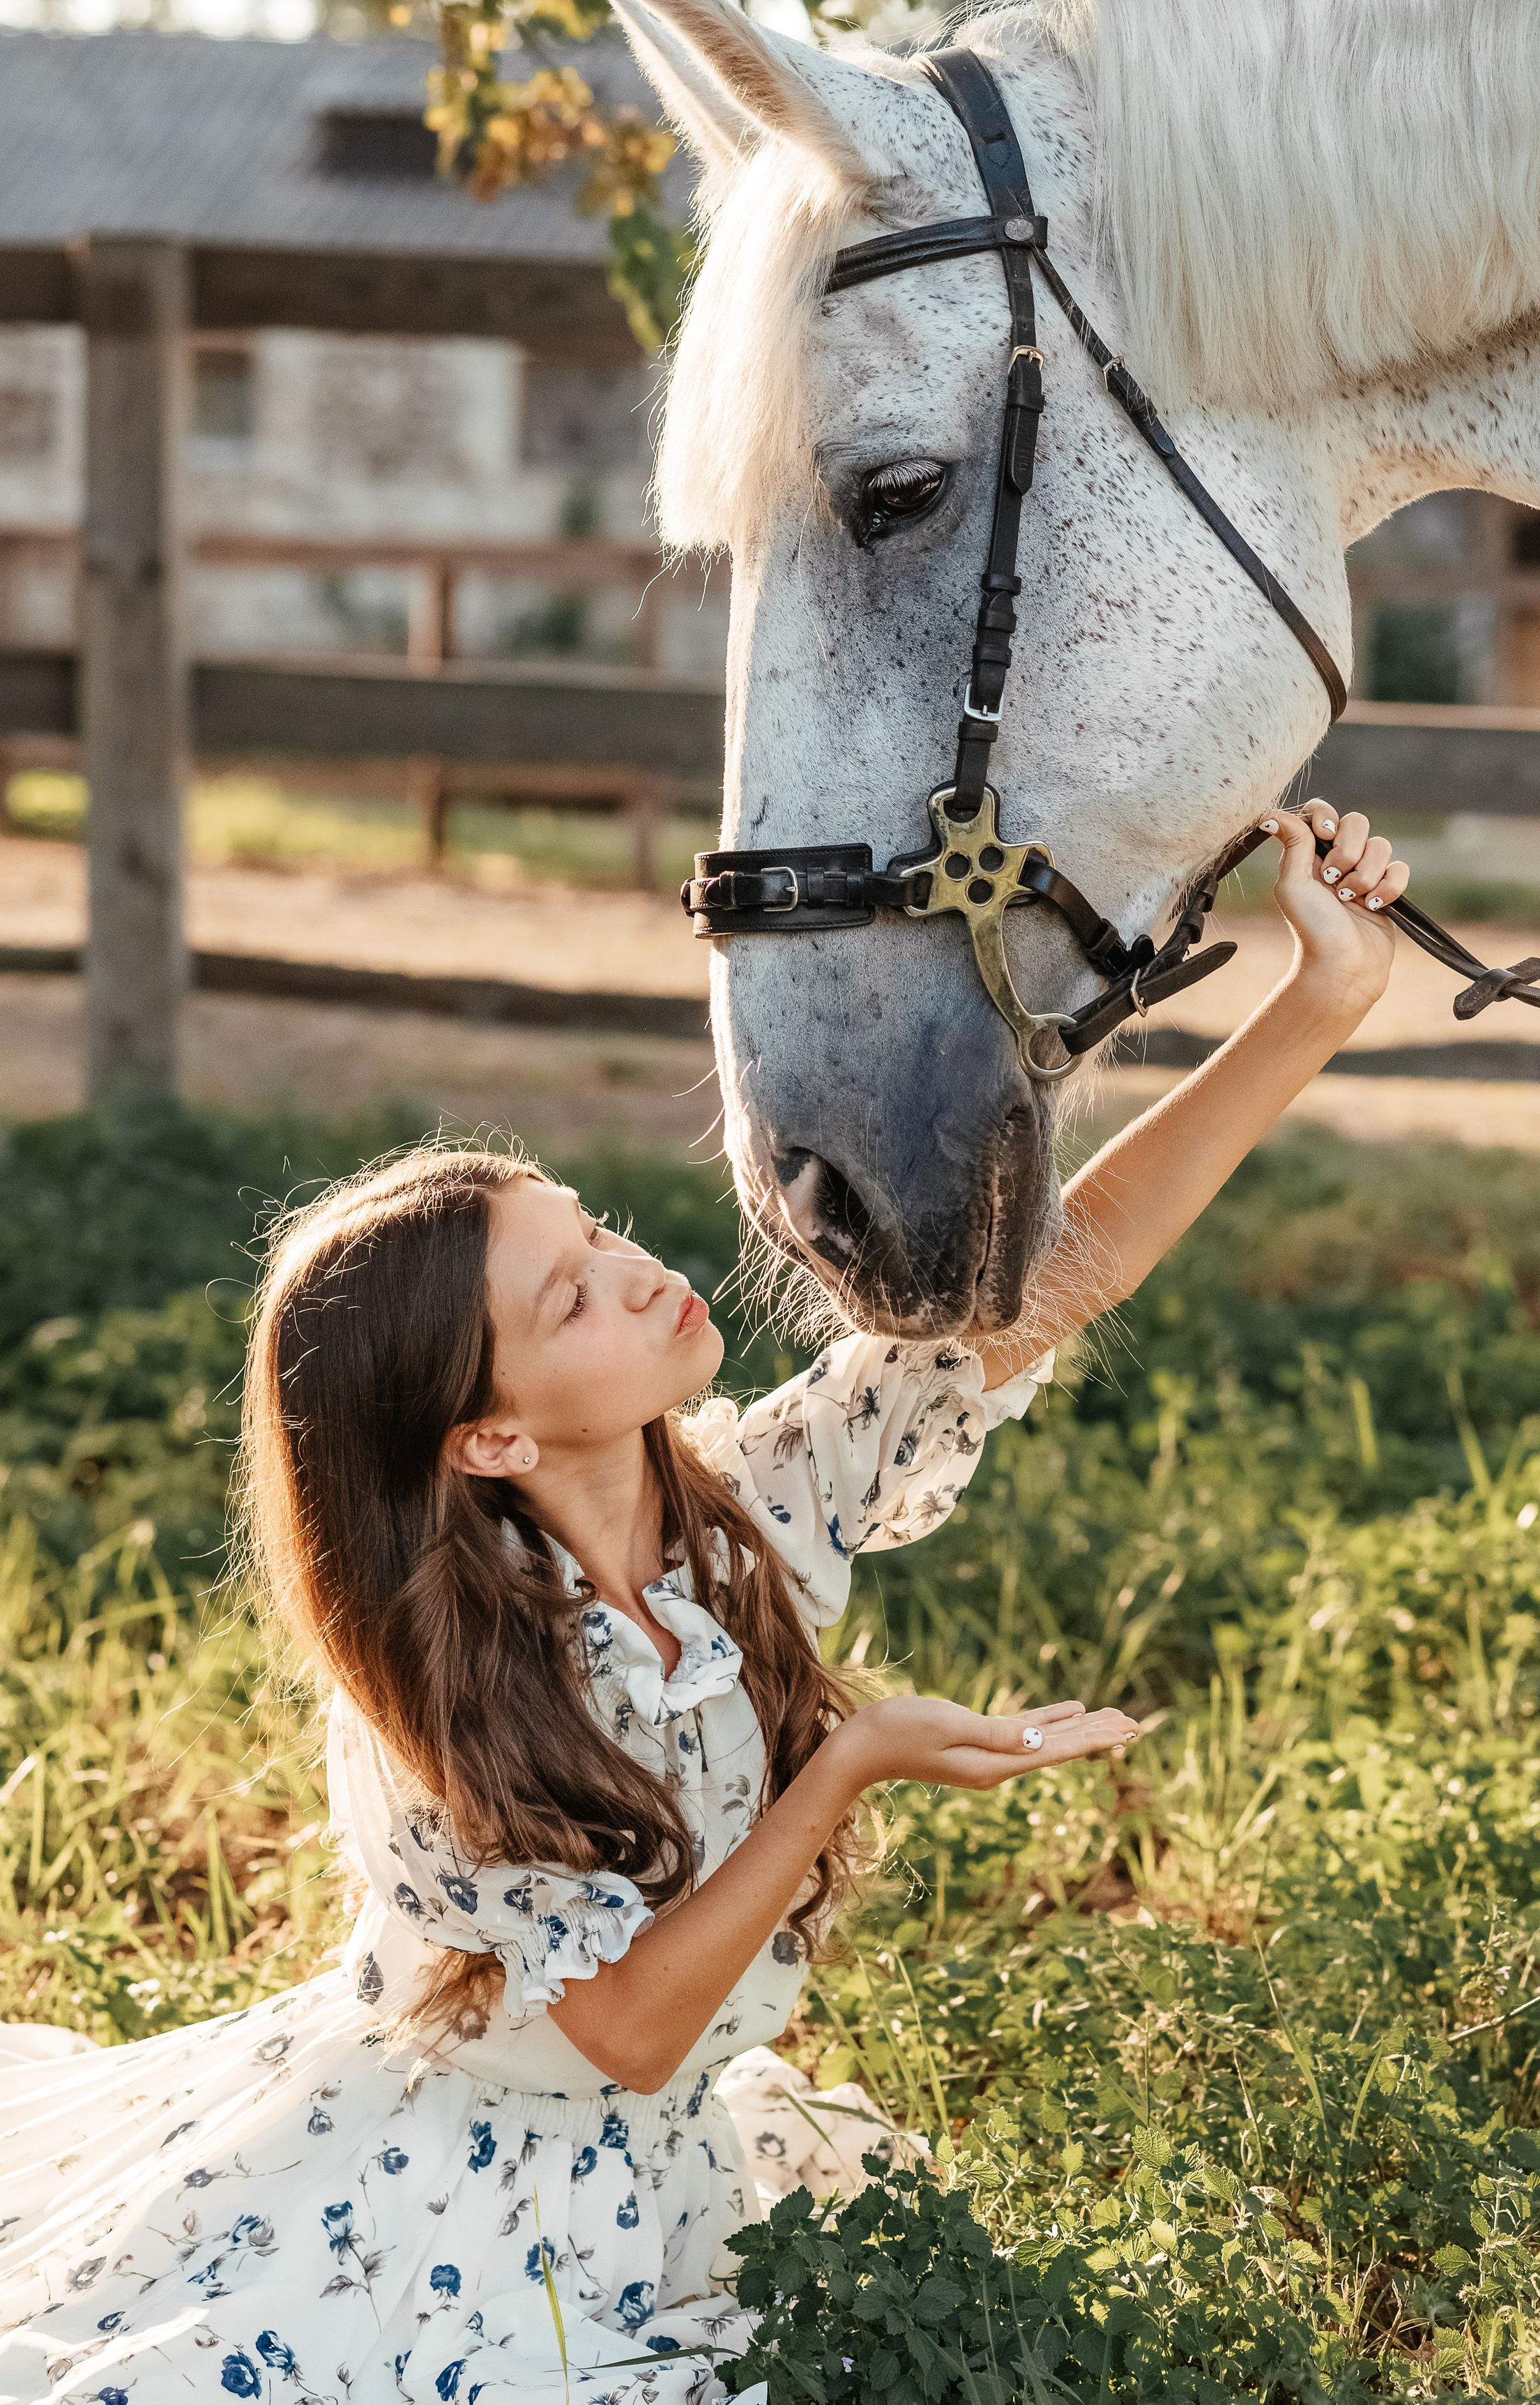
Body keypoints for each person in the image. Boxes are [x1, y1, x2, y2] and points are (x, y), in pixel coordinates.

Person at [0, 802, 1407, 2405]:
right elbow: (629, 2036)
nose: (638, 1270)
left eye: (592, 1231)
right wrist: (848, 1764)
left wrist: (1320, 998)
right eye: (572, 1294)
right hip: (462, 2184)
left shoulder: (745, 1502)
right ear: (493, 1436)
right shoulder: (429, 1696)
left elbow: (1059, 1270)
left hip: (652, 2155)